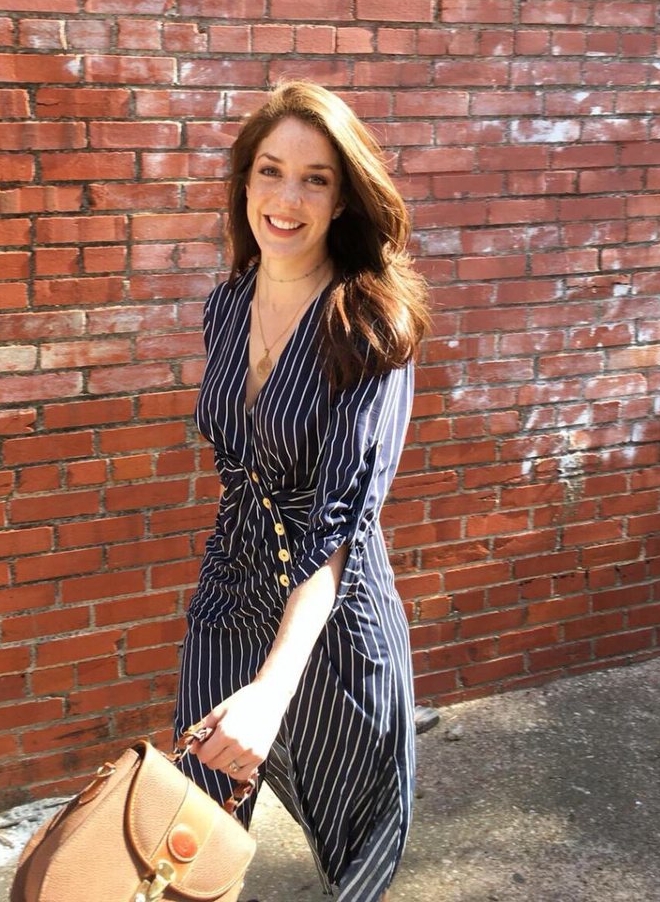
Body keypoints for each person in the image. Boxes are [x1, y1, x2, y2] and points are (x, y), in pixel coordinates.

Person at [173, 80, 430, 902]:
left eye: (314, 179)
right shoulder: (225, 306)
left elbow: (341, 523)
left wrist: (274, 689)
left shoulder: (368, 327)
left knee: (357, 847)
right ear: (244, 181)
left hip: (334, 619)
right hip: (231, 590)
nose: (286, 199)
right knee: (189, 826)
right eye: (270, 171)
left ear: (342, 197)